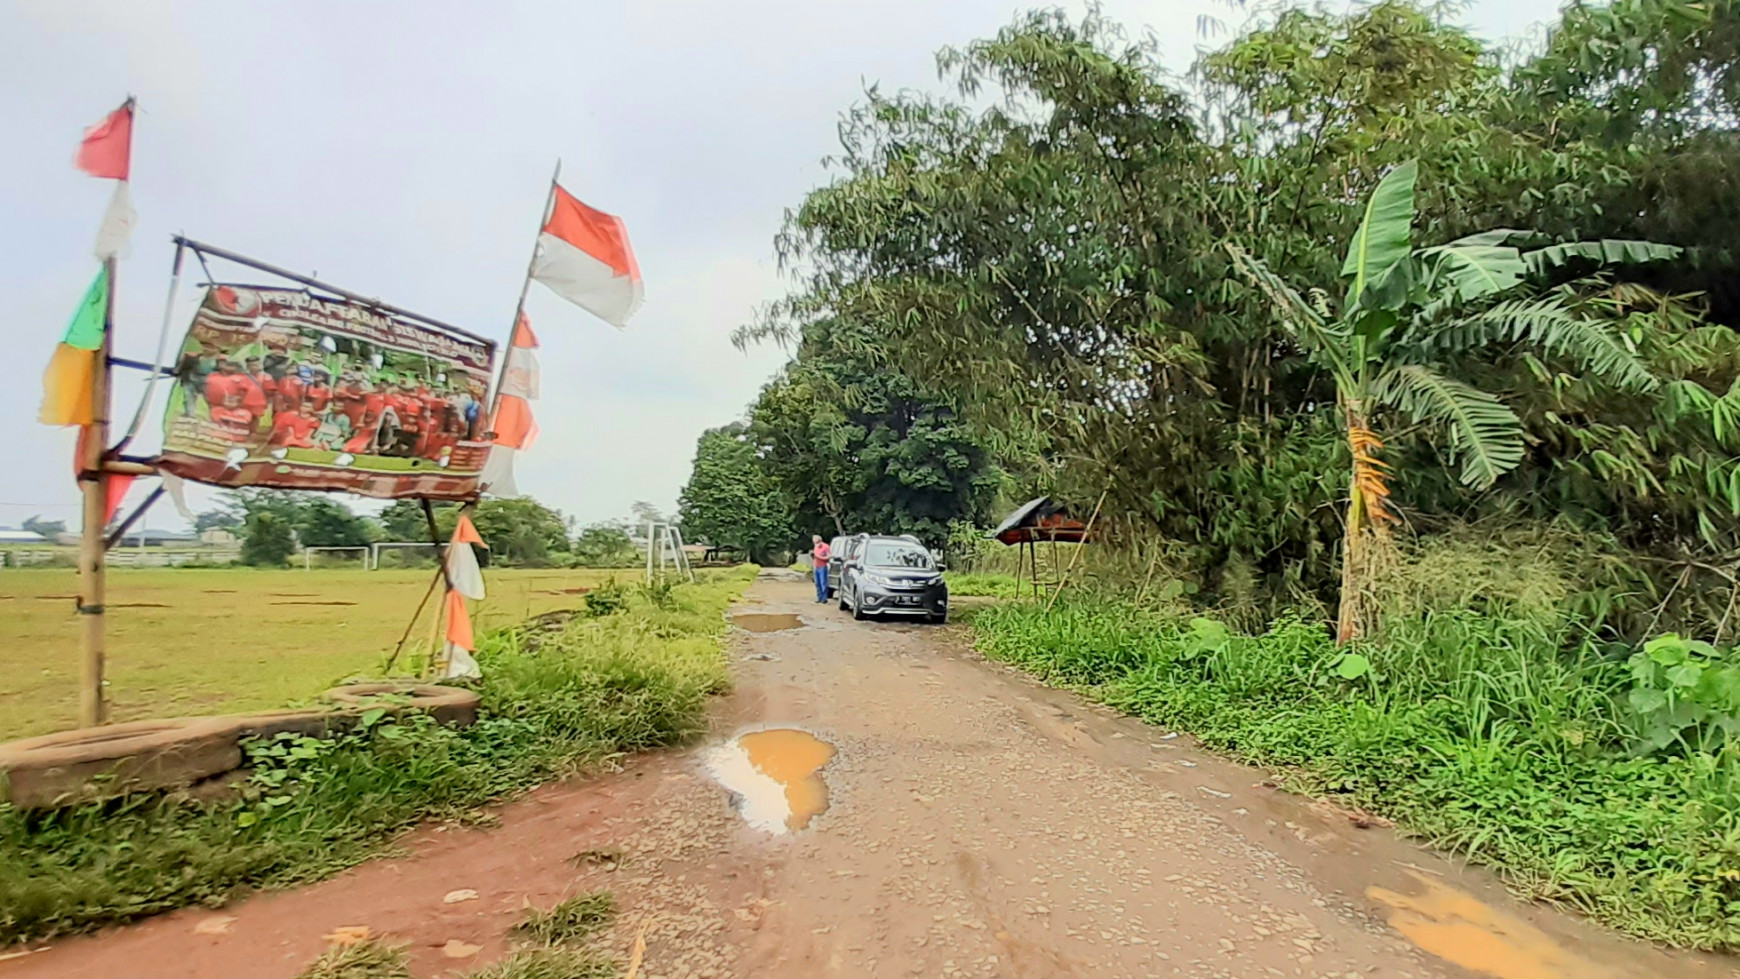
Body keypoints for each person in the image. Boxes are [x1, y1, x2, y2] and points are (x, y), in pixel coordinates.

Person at [811, 534, 831, 603]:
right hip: (816, 566)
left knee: (823, 582)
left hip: (822, 566)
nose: (815, 543)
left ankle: (824, 598)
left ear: (820, 540)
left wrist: (820, 557)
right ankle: (819, 597)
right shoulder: (815, 547)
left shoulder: (825, 547)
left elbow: (829, 556)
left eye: (816, 541)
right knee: (817, 583)